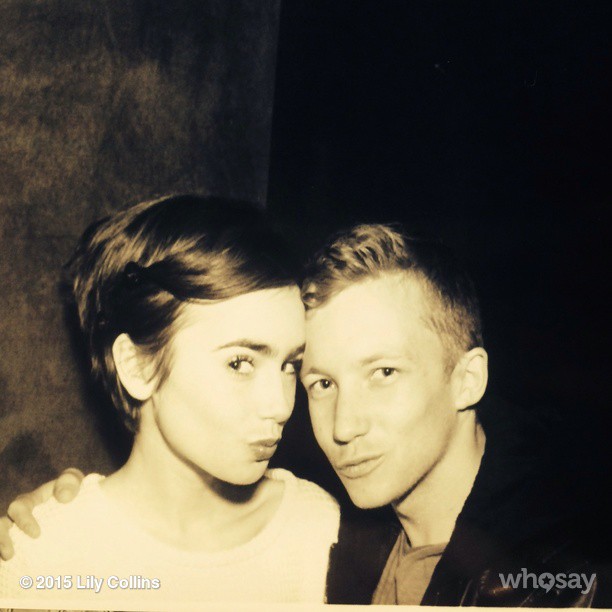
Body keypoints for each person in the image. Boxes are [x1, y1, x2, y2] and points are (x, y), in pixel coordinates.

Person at [1, 223, 604, 606]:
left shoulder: (566, 577)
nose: (341, 426)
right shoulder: (338, 534)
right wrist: (66, 525)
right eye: (319, 381)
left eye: (384, 373)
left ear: (467, 378)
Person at [0, 194, 340, 606]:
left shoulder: (322, 529)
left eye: (289, 365)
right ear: (137, 366)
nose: (281, 406)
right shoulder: (38, 557)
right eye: (240, 363)